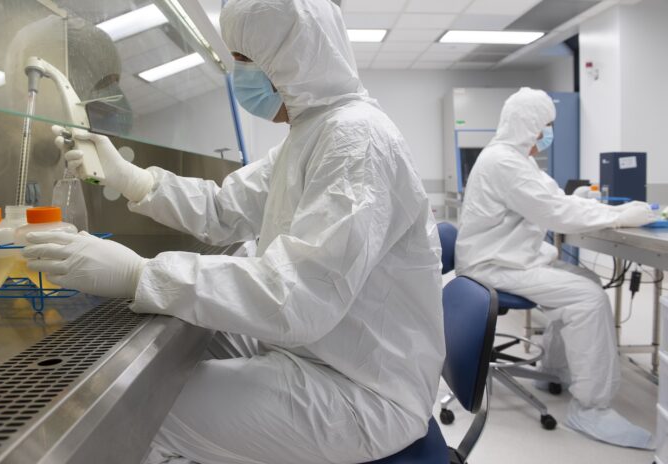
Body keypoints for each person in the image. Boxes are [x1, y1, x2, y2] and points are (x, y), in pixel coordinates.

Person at [23, 0, 445, 463]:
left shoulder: (357, 143)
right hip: (320, 351)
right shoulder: (314, 133)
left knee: (136, 404)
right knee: (165, 349)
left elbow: (298, 297)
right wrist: (134, 179)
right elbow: (224, 208)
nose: (236, 73)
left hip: (364, 393)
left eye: (244, 59)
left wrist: (142, 275)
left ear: (297, 57)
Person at [455, 87, 655, 449]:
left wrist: (579, 201)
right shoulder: (504, 161)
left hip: (506, 257)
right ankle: (591, 409)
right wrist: (619, 215)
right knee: (588, 298)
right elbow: (553, 213)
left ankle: (557, 370)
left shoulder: (515, 158)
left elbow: (550, 199)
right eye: (545, 126)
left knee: (586, 279)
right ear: (527, 125)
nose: (547, 134)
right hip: (494, 265)